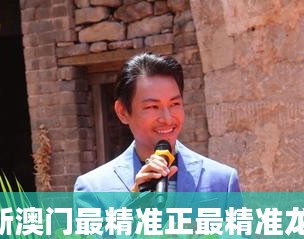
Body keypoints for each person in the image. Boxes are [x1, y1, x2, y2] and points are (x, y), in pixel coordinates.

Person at [74, 52, 240, 193]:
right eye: (152, 106)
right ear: (123, 112)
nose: (167, 119)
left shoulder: (222, 181)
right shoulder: (93, 189)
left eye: (174, 104)